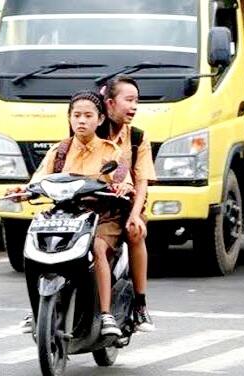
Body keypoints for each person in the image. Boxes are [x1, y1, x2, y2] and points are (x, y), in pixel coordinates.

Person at [11, 90, 134, 337]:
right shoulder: (59, 151)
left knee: (97, 248)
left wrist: (122, 186)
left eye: (88, 115)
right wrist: (23, 191)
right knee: (35, 248)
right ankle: (36, 309)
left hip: (101, 218)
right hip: (64, 217)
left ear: (99, 120)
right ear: (69, 118)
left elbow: (124, 180)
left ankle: (107, 314)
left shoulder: (111, 152)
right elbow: (38, 181)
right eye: (76, 115)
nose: (81, 120)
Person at [100, 75, 157, 332]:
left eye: (137, 101)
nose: (134, 106)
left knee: (135, 232)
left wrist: (135, 214)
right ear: (110, 103)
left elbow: (142, 180)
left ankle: (140, 305)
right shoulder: (91, 130)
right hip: (93, 204)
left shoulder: (137, 137)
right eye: (129, 100)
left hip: (124, 204)